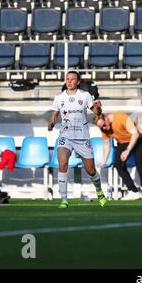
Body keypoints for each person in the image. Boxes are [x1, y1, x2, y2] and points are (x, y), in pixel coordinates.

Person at [48, 70, 106, 209]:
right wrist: (51, 122)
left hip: (82, 137)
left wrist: (98, 108)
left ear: (78, 81)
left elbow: (97, 113)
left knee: (91, 170)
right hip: (65, 136)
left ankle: (99, 191)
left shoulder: (85, 96)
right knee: (62, 164)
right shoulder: (59, 97)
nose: (69, 81)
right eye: (67, 79)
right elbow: (55, 114)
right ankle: (64, 200)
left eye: (72, 79)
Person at [94, 112, 142, 200]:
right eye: (100, 127)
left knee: (139, 162)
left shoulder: (121, 117)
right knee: (118, 164)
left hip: (139, 139)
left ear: (107, 119)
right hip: (122, 142)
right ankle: (133, 191)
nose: (103, 128)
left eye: (104, 125)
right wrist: (103, 162)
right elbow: (106, 144)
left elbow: (135, 134)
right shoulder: (104, 129)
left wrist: (127, 151)